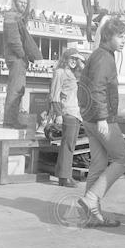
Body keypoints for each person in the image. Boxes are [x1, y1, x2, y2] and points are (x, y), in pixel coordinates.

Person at [77, 17, 125, 227]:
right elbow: (98, 87)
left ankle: (92, 216)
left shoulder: (98, 55)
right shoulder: (104, 58)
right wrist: (101, 118)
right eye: (120, 36)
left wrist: (89, 115)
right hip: (102, 119)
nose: (124, 41)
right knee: (123, 159)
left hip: (90, 118)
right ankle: (91, 199)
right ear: (108, 36)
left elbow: (84, 88)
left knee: (98, 165)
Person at [3, 0, 42, 128]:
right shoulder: (11, 16)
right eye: (21, 2)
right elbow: (14, 40)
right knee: (15, 90)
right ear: (15, 2)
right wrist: (23, 55)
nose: (23, 5)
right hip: (16, 58)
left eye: (25, 3)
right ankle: (9, 121)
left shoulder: (17, 17)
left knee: (18, 90)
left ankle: (12, 120)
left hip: (17, 58)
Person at [50, 48, 85, 188]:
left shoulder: (72, 74)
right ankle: (64, 177)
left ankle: (63, 176)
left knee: (70, 145)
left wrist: (81, 63)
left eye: (75, 59)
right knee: (67, 146)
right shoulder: (60, 73)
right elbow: (54, 94)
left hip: (75, 113)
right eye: (72, 58)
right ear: (66, 59)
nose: (73, 61)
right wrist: (58, 114)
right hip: (67, 113)